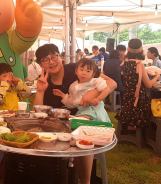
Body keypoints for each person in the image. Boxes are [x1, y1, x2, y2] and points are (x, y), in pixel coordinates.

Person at [34, 43, 116, 184]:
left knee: (81, 134)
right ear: (40, 65)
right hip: (59, 128)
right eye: (45, 60)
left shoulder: (77, 69)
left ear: (60, 57)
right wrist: (40, 91)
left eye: (54, 56)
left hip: (85, 120)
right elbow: (38, 113)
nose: (51, 62)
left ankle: (85, 180)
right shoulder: (44, 81)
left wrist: (93, 93)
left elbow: (111, 83)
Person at [0, 63, 31, 183]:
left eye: (10, 75)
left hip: (18, 123)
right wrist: (4, 85)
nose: (8, 78)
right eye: (4, 76)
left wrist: (19, 83)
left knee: (19, 149)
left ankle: (19, 177)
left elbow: (28, 94)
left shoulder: (16, 88)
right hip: (2, 124)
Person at [115, 38, 160, 128]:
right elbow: (149, 85)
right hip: (139, 101)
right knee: (152, 107)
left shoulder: (124, 63)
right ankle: (143, 132)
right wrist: (156, 77)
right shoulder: (139, 64)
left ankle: (128, 129)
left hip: (127, 98)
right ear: (141, 50)